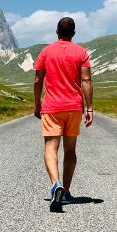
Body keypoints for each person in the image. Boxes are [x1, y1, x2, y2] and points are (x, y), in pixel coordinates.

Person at [33, 16, 93, 211]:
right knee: (70, 150)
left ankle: (55, 184)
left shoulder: (46, 51)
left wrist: (36, 104)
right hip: (74, 107)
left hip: (52, 106)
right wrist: (89, 107)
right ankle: (65, 191)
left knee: (51, 147)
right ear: (73, 34)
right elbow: (86, 80)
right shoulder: (81, 52)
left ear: (56, 32)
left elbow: (37, 80)